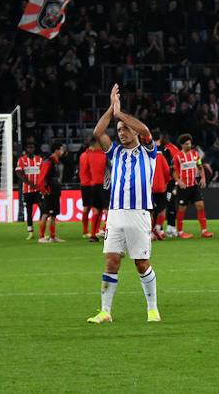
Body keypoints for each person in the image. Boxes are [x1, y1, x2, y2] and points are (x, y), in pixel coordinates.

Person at [87, 85, 162, 324]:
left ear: (134, 132)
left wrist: (121, 115)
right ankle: (105, 311)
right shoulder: (114, 152)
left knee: (141, 263)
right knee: (111, 260)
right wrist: (111, 109)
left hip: (139, 213)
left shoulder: (149, 151)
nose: (121, 133)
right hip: (116, 214)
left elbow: (146, 130)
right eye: (119, 130)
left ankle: (152, 309)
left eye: (125, 129)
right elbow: (99, 132)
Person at [173, 134, 213, 239]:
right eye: (186, 144)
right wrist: (178, 181)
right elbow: (173, 171)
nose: (189, 145)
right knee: (182, 208)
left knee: (200, 205)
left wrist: (203, 178)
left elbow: (200, 167)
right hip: (183, 187)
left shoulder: (195, 155)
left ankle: (204, 231)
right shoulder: (177, 156)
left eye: (190, 143)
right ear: (182, 145)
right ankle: (180, 232)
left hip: (194, 185)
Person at [36, 143, 67, 243]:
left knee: (53, 215)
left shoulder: (56, 162)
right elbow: (41, 178)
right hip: (49, 192)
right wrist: (43, 190)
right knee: (45, 213)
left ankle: (52, 237)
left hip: (55, 192)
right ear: (56, 150)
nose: (62, 151)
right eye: (61, 149)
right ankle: (41, 237)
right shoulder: (49, 162)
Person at [79, 137, 107, 242]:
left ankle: (92, 234)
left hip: (92, 185)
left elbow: (85, 170)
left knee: (95, 209)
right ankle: (104, 230)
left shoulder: (85, 155)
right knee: (108, 210)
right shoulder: (104, 155)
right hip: (102, 185)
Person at [16, 139, 43, 240]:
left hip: (38, 190)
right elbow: (19, 173)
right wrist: (28, 183)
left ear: (34, 149)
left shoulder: (39, 160)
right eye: (29, 148)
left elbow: (43, 172)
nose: (31, 149)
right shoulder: (21, 160)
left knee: (42, 209)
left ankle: (42, 230)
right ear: (26, 149)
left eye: (32, 147)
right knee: (29, 211)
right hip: (27, 190)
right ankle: (30, 231)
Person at [149, 144, 171, 240]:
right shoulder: (161, 157)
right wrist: (166, 182)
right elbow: (167, 171)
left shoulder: (146, 157)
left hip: (149, 188)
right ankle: (158, 228)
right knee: (162, 209)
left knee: (150, 211)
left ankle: (150, 232)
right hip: (161, 187)